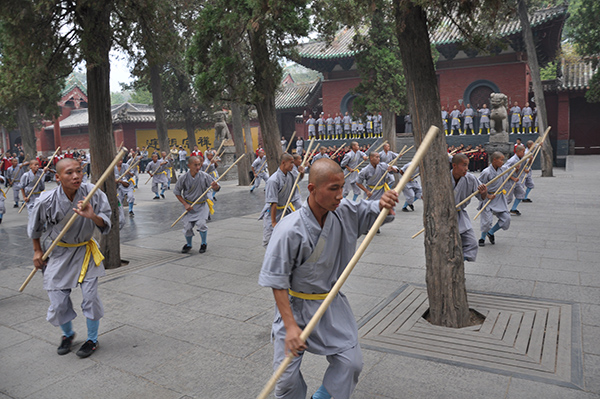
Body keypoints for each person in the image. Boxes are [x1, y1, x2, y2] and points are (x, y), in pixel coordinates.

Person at [258, 158, 398, 399]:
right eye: (333, 188)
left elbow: (373, 212)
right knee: (285, 380)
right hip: (295, 307)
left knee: (350, 363)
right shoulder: (289, 230)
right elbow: (276, 281)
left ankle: (321, 397)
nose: (340, 195)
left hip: (330, 303)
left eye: (342, 187)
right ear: (312, 189)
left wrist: (383, 203)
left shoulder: (344, 212)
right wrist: (291, 327)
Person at [28, 158, 111, 358]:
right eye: (69, 173)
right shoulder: (45, 200)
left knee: (90, 297)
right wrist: (37, 251)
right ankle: (68, 334)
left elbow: (106, 221)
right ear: (57, 177)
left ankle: (92, 339)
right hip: (58, 253)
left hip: (85, 252)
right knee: (58, 302)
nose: (76, 176)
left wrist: (92, 216)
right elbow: (35, 228)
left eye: (79, 171)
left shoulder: (94, 193)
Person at [174, 156, 220, 254]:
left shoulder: (204, 176)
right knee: (187, 227)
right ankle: (189, 244)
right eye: (195, 165)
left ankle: (203, 243)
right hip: (189, 206)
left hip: (202, 205)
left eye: (199, 164)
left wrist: (215, 187)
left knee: (201, 224)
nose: (198, 167)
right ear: (189, 165)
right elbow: (177, 192)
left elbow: (216, 187)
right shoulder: (183, 178)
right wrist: (185, 204)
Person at [451, 154, 487, 261]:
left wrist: (483, 192)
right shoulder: (443, 178)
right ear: (454, 165)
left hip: (460, 214)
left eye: (467, 165)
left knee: (471, 244)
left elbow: (482, 197)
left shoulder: (470, 178)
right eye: (464, 165)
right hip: (444, 215)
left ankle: (459, 263)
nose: (466, 168)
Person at [259, 153, 295, 247]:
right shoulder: (273, 180)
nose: (293, 165)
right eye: (291, 163)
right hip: (273, 212)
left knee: (287, 236)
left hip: (286, 211)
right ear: (283, 162)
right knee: (269, 241)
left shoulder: (290, 176)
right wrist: (273, 221)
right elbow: (273, 202)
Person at [478, 152, 511, 247]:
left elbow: (512, 169)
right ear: (494, 160)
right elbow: (479, 186)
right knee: (487, 222)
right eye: (501, 159)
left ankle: (491, 232)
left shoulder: (503, 170)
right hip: (487, 199)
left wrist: (516, 169)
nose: (502, 162)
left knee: (506, 219)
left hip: (499, 197)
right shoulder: (486, 172)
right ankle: (482, 237)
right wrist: (487, 195)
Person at [505, 145, 528, 216]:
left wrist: (525, 169)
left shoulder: (522, 159)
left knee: (521, 193)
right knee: (508, 198)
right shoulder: (512, 160)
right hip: (510, 180)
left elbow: (525, 165)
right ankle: (499, 209)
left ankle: (513, 209)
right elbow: (505, 170)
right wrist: (512, 178)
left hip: (517, 180)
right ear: (518, 151)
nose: (524, 153)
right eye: (523, 152)